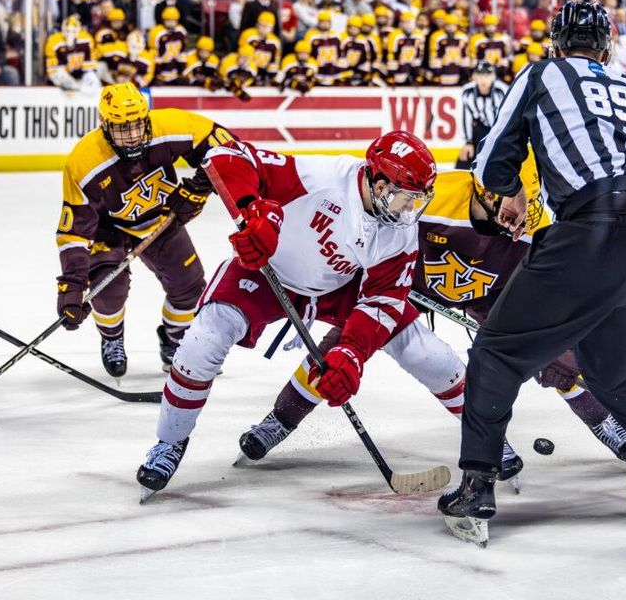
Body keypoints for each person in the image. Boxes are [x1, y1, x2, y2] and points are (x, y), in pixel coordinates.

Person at [438, 1, 626, 547]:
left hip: (592, 232)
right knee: (608, 362)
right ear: (607, 48)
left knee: (496, 352)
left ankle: (476, 486)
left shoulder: (543, 74)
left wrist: (516, 193)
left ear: (556, 45)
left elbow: (493, 158)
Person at [237, 158, 626, 480]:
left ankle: (605, 422)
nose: (514, 222)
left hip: (491, 292)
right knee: (345, 346)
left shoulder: (536, 226)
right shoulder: (435, 196)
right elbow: (373, 237)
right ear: (484, 191)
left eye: (524, 213)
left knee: (551, 350)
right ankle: (280, 419)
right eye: (507, 212)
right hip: (409, 281)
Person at [135, 131, 437, 499]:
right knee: (203, 340)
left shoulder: (399, 230)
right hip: (266, 272)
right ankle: (170, 442)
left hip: (334, 287)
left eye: (417, 199)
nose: (410, 209)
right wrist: (253, 212)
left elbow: (384, 298)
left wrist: (352, 353)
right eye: (407, 197)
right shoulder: (321, 177)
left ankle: (280, 421)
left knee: (413, 348)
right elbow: (227, 155)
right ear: (379, 182)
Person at [55, 84, 232, 378]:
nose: (133, 135)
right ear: (105, 125)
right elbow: (74, 230)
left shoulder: (171, 125)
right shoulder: (84, 161)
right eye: (122, 128)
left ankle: (175, 342)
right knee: (108, 290)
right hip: (106, 230)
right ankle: (112, 338)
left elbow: (225, 146)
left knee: (189, 288)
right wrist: (72, 284)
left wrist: (199, 188)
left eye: (137, 125)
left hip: (158, 219)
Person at [456, 60, 508, 169]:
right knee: (463, 161)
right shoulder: (468, 92)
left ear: (493, 77)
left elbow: (508, 117)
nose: (483, 79)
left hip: (500, 131)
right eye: (480, 75)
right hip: (481, 130)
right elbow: (465, 117)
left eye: (487, 75)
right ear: (475, 76)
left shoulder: (502, 90)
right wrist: (468, 142)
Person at [44, 15, 103, 93]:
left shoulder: (86, 39)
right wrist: (67, 68)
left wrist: (80, 65)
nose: (70, 34)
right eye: (68, 31)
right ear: (63, 30)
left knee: (94, 79)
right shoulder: (54, 41)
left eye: (73, 31)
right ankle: (74, 89)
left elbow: (92, 63)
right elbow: (51, 70)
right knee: (59, 75)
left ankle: (90, 101)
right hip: (63, 73)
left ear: (78, 30)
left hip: (81, 73)